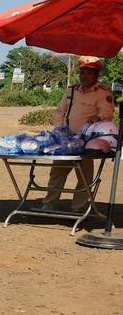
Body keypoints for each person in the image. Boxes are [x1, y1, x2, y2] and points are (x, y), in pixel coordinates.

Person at [42, 56, 116, 212]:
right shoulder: (71, 91)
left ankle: (78, 207)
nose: (85, 76)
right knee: (57, 173)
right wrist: (59, 129)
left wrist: (98, 118)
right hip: (65, 141)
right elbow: (59, 111)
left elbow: (107, 114)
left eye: (89, 73)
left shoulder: (102, 93)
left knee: (84, 177)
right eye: (82, 72)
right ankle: (49, 205)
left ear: (96, 75)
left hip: (86, 142)